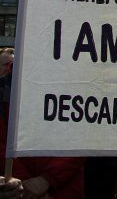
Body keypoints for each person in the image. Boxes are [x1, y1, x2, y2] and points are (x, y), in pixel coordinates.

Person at [0, 48, 85, 199]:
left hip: (64, 189)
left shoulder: (77, 83)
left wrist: (47, 179)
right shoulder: (6, 88)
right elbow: (3, 142)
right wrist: (25, 184)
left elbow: (82, 137)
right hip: (17, 190)